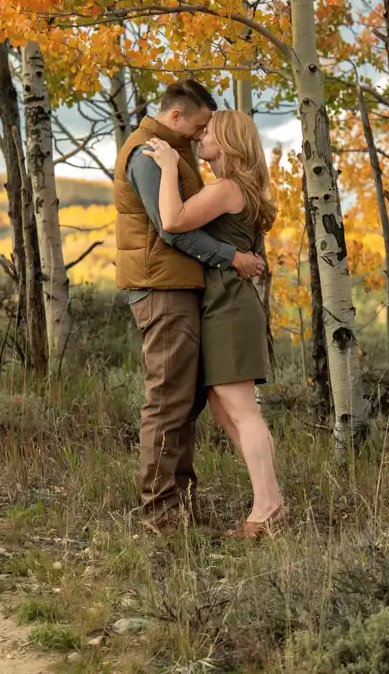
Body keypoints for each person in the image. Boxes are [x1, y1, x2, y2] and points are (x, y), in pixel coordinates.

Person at [114, 80, 266, 534]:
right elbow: (170, 228)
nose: (201, 135)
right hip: (161, 287)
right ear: (177, 115)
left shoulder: (174, 153)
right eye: (199, 125)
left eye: (208, 130)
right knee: (167, 400)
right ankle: (162, 513)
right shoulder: (148, 153)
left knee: (186, 401)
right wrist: (232, 257)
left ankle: (179, 504)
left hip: (182, 288)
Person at [143, 109, 284, 539]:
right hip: (225, 303)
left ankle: (269, 508)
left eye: (209, 132)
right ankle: (269, 499)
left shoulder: (226, 189)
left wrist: (168, 167)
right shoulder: (239, 188)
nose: (201, 136)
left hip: (229, 306)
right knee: (225, 410)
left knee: (241, 410)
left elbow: (172, 220)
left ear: (228, 141)